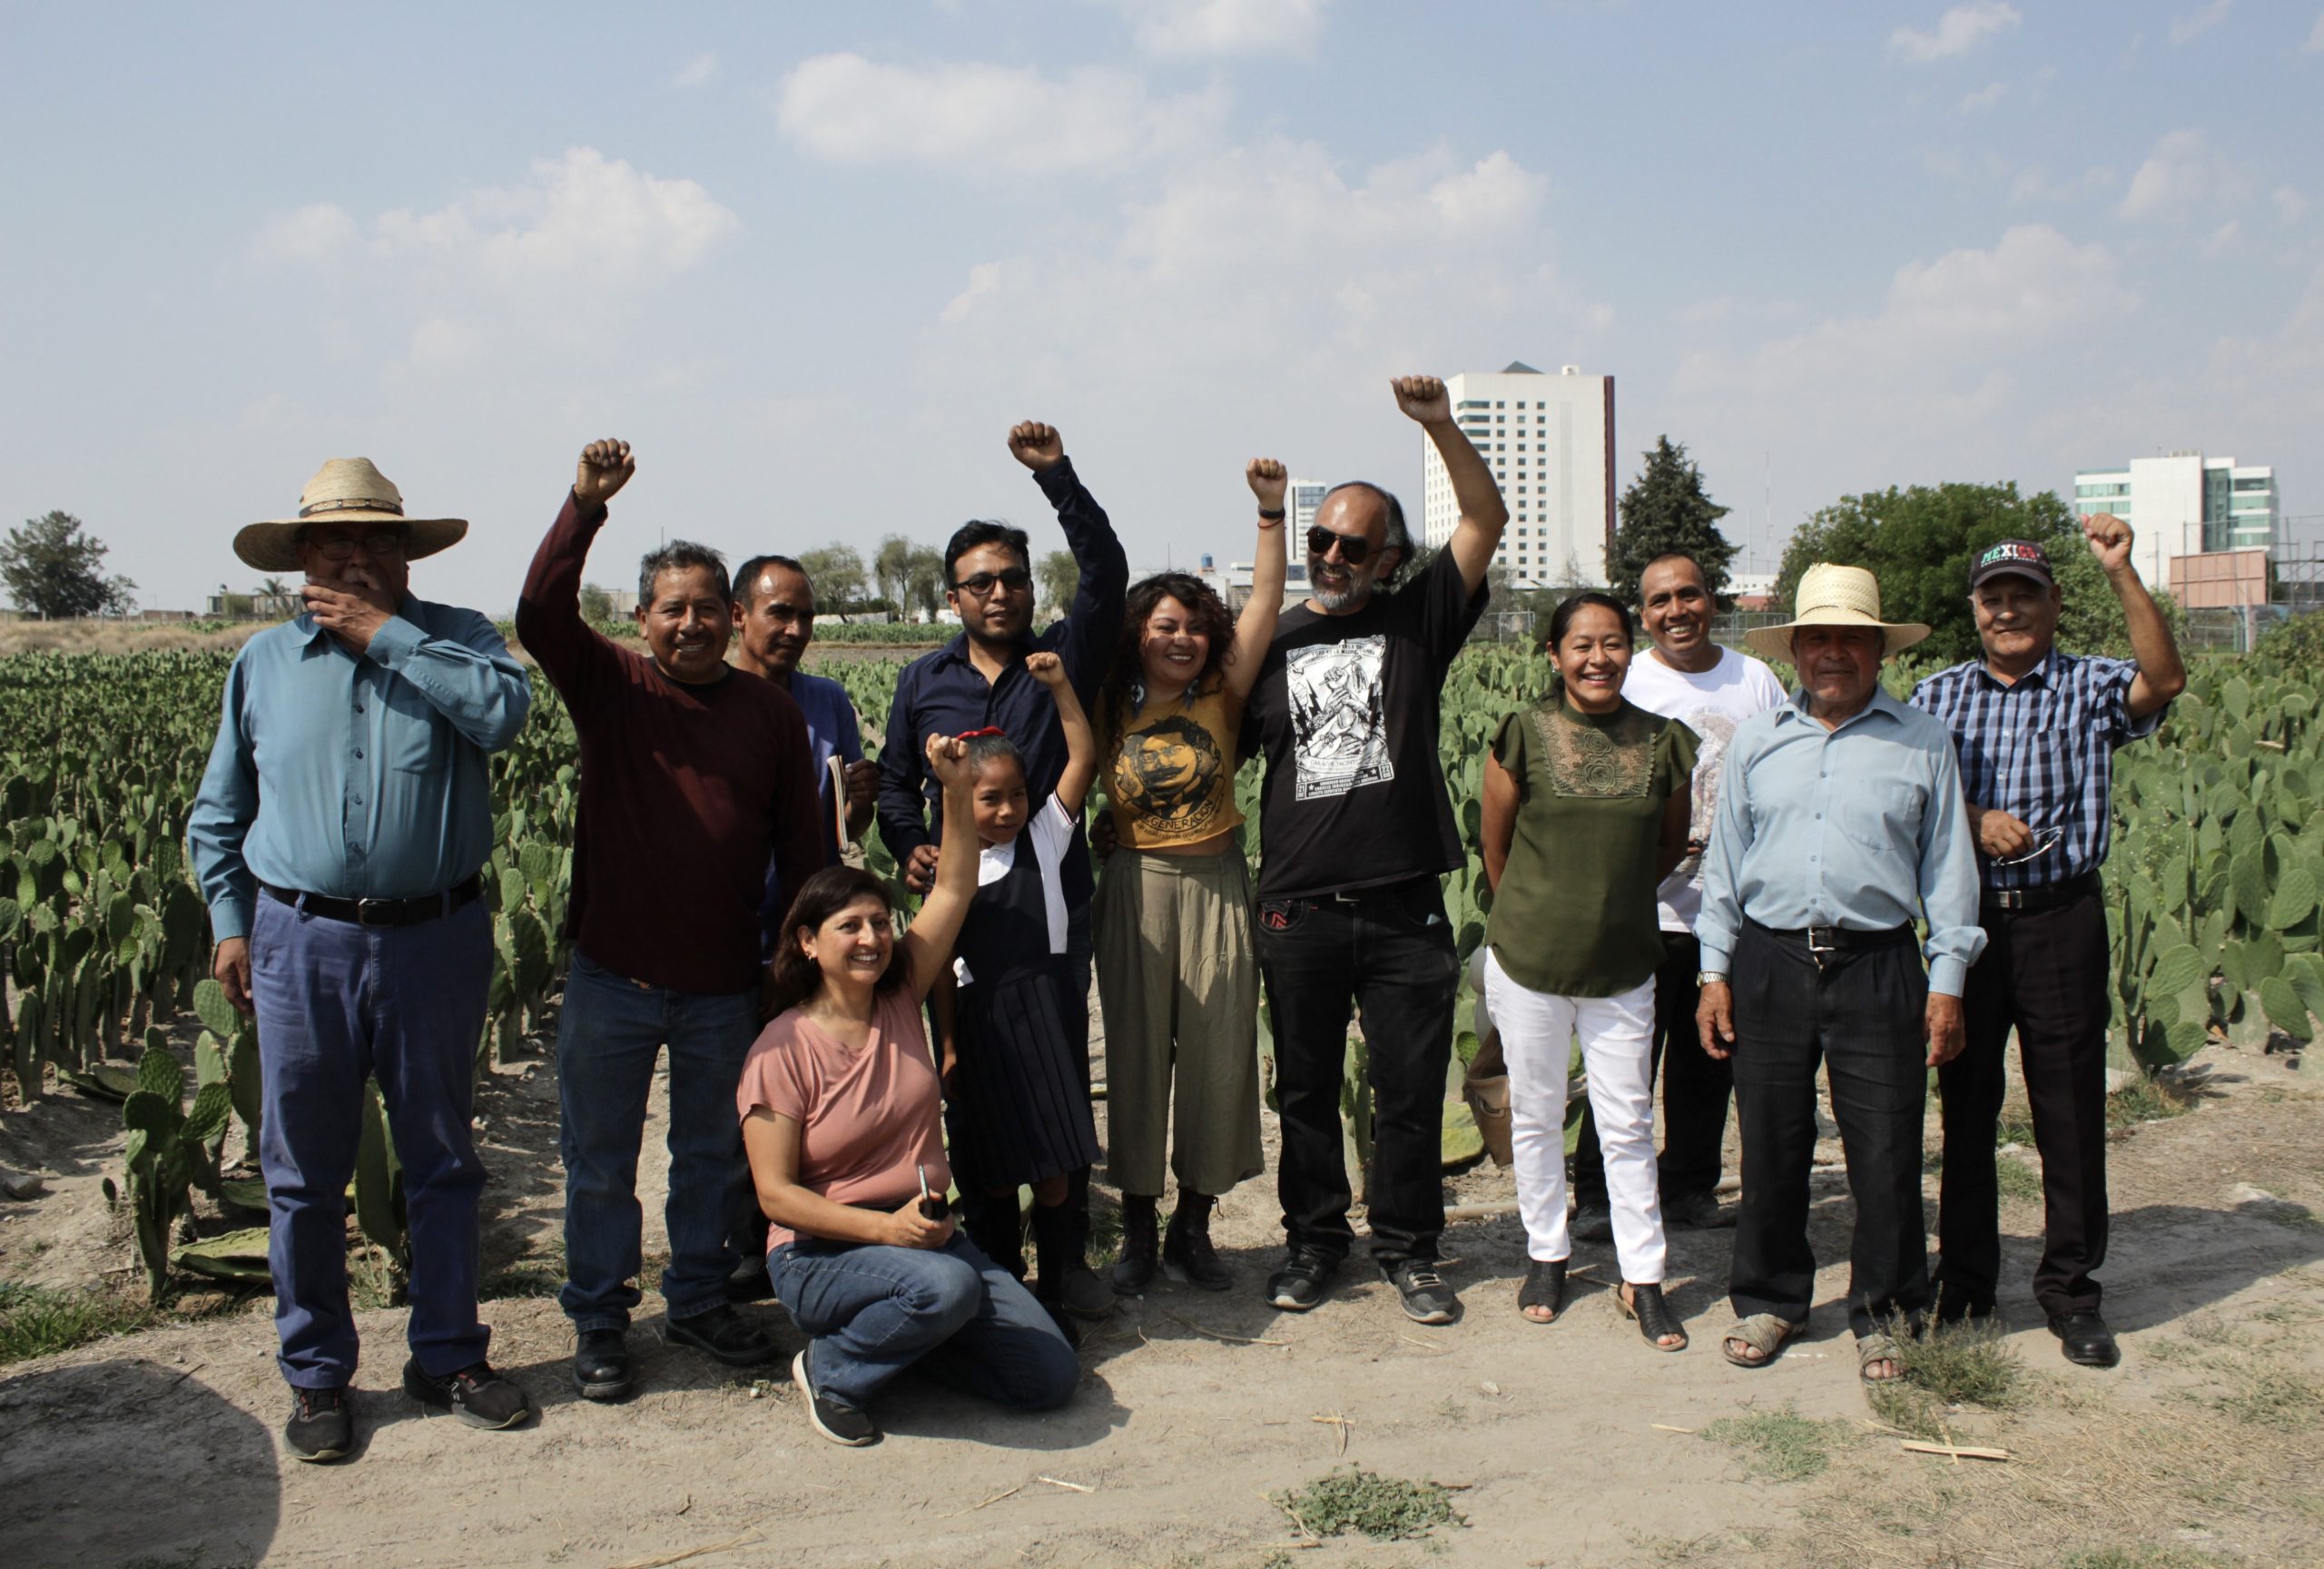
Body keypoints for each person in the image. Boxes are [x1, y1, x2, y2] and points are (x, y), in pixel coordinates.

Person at [190, 457, 534, 1461]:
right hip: (302, 941)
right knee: (301, 1171)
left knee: (440, 1158)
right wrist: (228, 921)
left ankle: (448, 1353)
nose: (352, 554)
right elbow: (219, 813)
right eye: (331, 540)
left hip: (436, 936)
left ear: (404, 553)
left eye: (374, 538)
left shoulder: (460, 641)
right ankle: (318, 1375)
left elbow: (505, 717)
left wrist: (382, 636)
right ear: (300, 555)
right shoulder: (259, 664)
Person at [516, 439, 825, 1402]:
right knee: (599, 1161)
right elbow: (537, 614)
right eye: (669, 608)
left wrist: (799, 966)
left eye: (703, 608)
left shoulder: (768, 717)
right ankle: (602, 1319)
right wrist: (584, 506)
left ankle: (694, 1300)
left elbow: (807, 850)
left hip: (720, 982)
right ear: (641, 618)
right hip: (613, 976)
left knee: (705, 1156)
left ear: (730, 618)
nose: (688, 624)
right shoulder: (612, 686)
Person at [1241, 375, 1510, 1325]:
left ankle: (1408, 1249)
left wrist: (1438, 427)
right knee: (1307, 1092)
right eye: (1319, 539)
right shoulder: (1267, 645)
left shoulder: (1419, 622)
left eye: (1353, 544)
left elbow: (1485, 517)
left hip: (1402, 906)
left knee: (1404, 1091)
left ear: (1389, 559)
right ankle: (1314, 1244)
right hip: (1298, 907)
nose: (1331, 555)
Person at [742, 735, 1079, 1448]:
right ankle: (832, 1368)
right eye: (849, 927)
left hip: (922, 1233)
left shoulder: (900, 996)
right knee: (946, 1290)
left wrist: (955, 790)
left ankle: (904, 1348)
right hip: (822, 1251)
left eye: (879, 923)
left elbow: (954, 886)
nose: (871, 938)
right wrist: (883, 1231)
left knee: (1048, 1377)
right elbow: (775, 1197)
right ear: (807, 941)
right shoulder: (781, 1049)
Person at [1695, 564, 1984, 1384]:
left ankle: (1886, 1311)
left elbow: (1948, 871)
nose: (1833, 655)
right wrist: (1715, 974)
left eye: (1850, 640)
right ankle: (1770, 1298)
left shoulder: (1923, 740)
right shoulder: (1757, 740)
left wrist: (1948, 978)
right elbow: (1726, 868)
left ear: (1878, 652)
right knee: (1773, 1143)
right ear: (1794, 650)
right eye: (1817, 638)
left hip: (1880, 961)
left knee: (1886, 1146)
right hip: (1770, 957)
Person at [1911, 521, 2185, 1368]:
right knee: (1965, 1108)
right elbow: (1909, 805)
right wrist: (1971, 819)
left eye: (2023, 596)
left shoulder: (2091, 686)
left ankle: (2070, 1291)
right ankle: (1965, 1285)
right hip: (1970, 927)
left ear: (2054, 604)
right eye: (1993, 598)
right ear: (1975, 611)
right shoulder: (1936, 698)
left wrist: (2121, 570)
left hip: (2065, 918)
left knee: (2068, 1111)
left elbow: (2165, 677)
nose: (2007, 611)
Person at [875, 421, 1128, 1320]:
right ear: (953, 596)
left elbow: (1106, 572)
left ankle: (1066, 1268)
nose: (1000, 593)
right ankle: (993, 1265)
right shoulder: (922, 682)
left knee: (1054, 1087)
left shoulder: (1060, 657)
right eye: (980, 581)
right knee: (970, 1092)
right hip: (955, 933)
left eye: (1013, 578)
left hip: (1045, 924)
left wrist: (1055, 477)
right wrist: (909, 842)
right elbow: (895, 790)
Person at [1478, 592, 1698, 1349]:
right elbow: (1495, 848)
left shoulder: (1666, 742)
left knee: (1627, 1120)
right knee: (1537, 1113)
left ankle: (1644, 1277)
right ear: (1554, 654)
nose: (1597, 658)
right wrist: (1541, 915)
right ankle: (1547, 1254)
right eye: (1581, 644)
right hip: (1529, 961)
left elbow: (1667, 848)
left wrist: (1610, 907)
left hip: (1627, 962)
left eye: (1612, 643)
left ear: (1630, 652)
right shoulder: (1523, 734)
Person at [1096, 459, 1291, 1294]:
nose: (1181, 639)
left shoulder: (1222, 696)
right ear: (1138, 630)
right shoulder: (1109, 705)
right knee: (1137, 1058)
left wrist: (1271, 515)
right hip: (1134, 889)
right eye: (1163, 625)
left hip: (1216, 885)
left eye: (1193, 627)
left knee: (1216, 1058)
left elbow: (1267, 604)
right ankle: (1137, 1229)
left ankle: (1194, 1226)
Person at [1570, 553, 1786, 1240]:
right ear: (1643, 617)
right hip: (1640, 905)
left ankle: (1690, 1183)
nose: (1676, 611)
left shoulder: (1754, 680)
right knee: (1624, 1057)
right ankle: (1601, 1195)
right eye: (1660, 601)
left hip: (1729, 911)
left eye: (1688, 595)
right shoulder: (1626, 680)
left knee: (1707, 1055)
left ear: (1712, 600)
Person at [931, 652, 1110, 1334]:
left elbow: (1083, 758)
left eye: (1015, 794)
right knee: (998, 1173)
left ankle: (1058, 1288)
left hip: (1051, 1016)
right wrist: (946, 1046)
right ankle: (1005, 1297)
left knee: (1058, 1168)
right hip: (986, 1030)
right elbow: (944, 970)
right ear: (961, 801)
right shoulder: (951, 868)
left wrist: (1064, 685)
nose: (1007, 809)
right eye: (988, 798)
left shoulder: (1046, 838)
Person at [726, 551, 881, 1303]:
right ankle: (740, 1243)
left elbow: (850, 829)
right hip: (727, 928)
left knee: (807, 1091)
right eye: (777, 613)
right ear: (739, 617)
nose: (792, 629)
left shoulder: (827, 702)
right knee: (738, 1094)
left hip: (807, 934)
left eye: (803, 616)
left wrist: (863, 796)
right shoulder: (711, 696)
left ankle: (800, 1232)